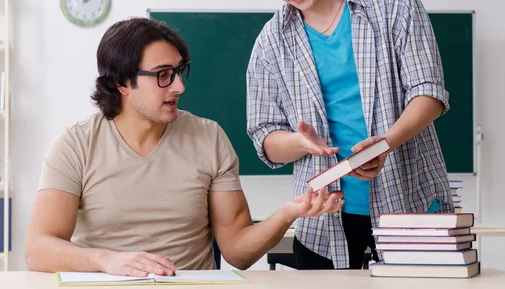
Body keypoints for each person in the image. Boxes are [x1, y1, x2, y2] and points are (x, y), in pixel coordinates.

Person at [25, 17, 343, 276]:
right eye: (163, 75)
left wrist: (289, 212)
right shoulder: (75, 144)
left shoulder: (208, 137)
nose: (179, 86)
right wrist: (107, 261)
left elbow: (237, 252)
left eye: (178, 71)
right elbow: (38, 249)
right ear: (121, 83)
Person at [230, 0, 454, 270]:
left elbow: (428, 93)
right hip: (324, 221)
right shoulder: (270, 43)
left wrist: (385, 143)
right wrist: (299, 143)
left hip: (412, 207)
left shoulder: (393, 2)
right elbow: (265, 137)